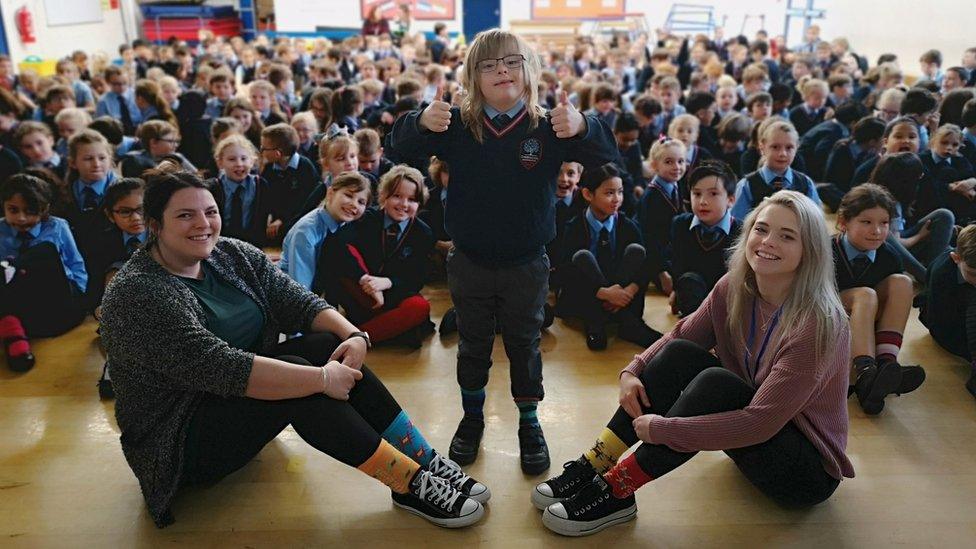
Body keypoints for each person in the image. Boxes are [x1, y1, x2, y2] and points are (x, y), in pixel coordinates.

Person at [99, 171, 489, 529]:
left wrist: (354, 336)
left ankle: (424, 459)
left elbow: (298, 301)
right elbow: (220, 367)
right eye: (185, 215)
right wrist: (321, 379)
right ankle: (408, 483)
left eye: (210, 211)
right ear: (154, 226)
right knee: (303, 380)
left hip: (235, 404)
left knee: (328, 344)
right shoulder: (138, 292)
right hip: (181, 441)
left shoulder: (230, 254)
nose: (203, 224)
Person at [533, 191, 853, 536]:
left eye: (787, 236)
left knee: (718, 382)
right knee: (681, 355)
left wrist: (665, 429)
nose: (767, 242)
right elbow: (679, 337)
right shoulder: (734, 287)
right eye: (761, 229)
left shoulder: (819, 324)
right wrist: (632, 371)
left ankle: (617, 490)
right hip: (748, 439)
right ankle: (597, 462)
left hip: (802, 472)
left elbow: (760, 423)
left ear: (810, 251)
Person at [386, 29, 618, 475]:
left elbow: (608, 154)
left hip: (528, 262)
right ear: (473, 76)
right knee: (472, 346)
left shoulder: (550, 125)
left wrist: (585, 125)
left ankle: (529, 422)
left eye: (512, 62)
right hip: (469, 260)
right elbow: (398, 145)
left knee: (525, 345)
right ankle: (472, 418)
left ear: (530, 71)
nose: (501, 72)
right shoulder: (456, 123)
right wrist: (419, 121)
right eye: (488, 65)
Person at [832, 184, 925, 414]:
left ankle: (885, 366)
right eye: (866, 222)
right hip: (829, 321)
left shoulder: (889, 257)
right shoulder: (825, 250)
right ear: (843, 222)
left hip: (866, 328)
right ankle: (865, 372)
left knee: (902, 282)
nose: (877, 231)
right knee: (866, 293)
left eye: (884, 223)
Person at [320, 165, 435, 347]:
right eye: (397, 196)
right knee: (339, 259)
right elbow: (337, 245)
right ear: (384, 197)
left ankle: (355, 338)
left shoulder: (423, 233)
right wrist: (364, 279)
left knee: (419, 307)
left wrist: (388, 282)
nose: (404, 204)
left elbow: (417, 277)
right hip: (364, 293)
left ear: (419, 203)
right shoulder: (367, 218)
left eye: (412, 200)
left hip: (396, 295)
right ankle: (385, 332)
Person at [550, 163, 660, 350]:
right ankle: (597, 320)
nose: (617, 199)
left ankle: (627, 323)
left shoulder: (627, 225)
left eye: (620, 192)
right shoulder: (574, 227)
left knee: (636, 251)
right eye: (609, 193)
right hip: (587, 293)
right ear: (588, 194)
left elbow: (646, 266)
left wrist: (628, 291)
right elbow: (563, 272)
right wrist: (603, 293)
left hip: (622, 293)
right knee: (582, 258)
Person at [0, 174, 87, 372]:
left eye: (30, 211)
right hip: (18, 305)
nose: (21, 218)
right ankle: (14, 336)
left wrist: (79, 293)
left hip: (58, 302)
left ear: (44, 209)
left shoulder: (57, 226)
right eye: (13, 210)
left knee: (44, 252)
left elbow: (76, 265)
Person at [669, 161, 742, 316]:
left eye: (713, 194)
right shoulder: (681, 224)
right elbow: (678, 264)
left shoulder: (741, 231)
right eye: (696, 194)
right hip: (691, 296)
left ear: (730, 200)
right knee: (689, 281)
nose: (703, 201)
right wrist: (676, 290)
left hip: (725, 303)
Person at [280, 171, 371, 294]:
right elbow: (301, 288)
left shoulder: (346, 225)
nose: (354, 204)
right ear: (330, 193)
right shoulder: (306, 232)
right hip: (288, 294)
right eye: (349, 195)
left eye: (361, 202)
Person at [920, 224, 976, 398]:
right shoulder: (942, 273)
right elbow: (942, 325)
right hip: (945, 327)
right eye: (973, 274)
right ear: (956, 258)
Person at [731, 119, 820, 220]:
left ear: (797, 148)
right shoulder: (746, 186)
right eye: (775, 147)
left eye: (789, 147)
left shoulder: (806, 184)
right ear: (762, 147)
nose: (783, 153)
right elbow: (737, 226)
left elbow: (814, 222)